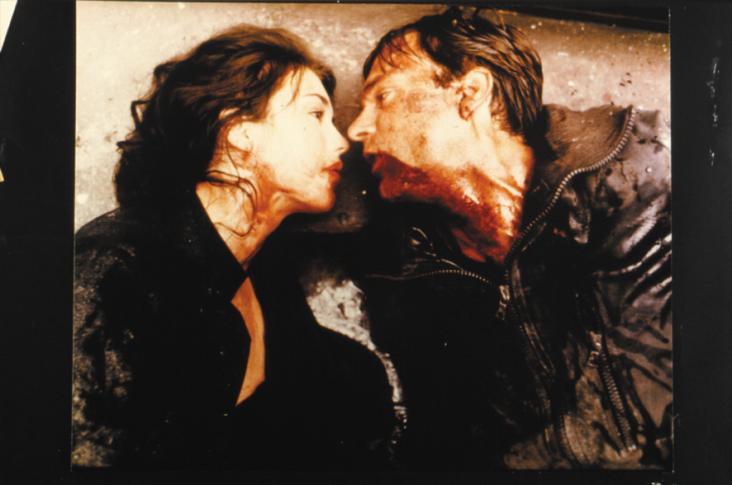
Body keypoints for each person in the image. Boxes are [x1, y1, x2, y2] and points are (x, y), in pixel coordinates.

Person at [348, 7, 671, 469]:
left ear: (470, 94)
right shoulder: (407, 266)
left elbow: (658, 405)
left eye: (383, 96)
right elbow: (443, 439)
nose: (356, 129)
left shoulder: (628, 172)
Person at [72, 25, 394, 469]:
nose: (341, 141)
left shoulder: (263, 267)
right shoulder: (115, 266)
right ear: (239, 132)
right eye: (316, 114)